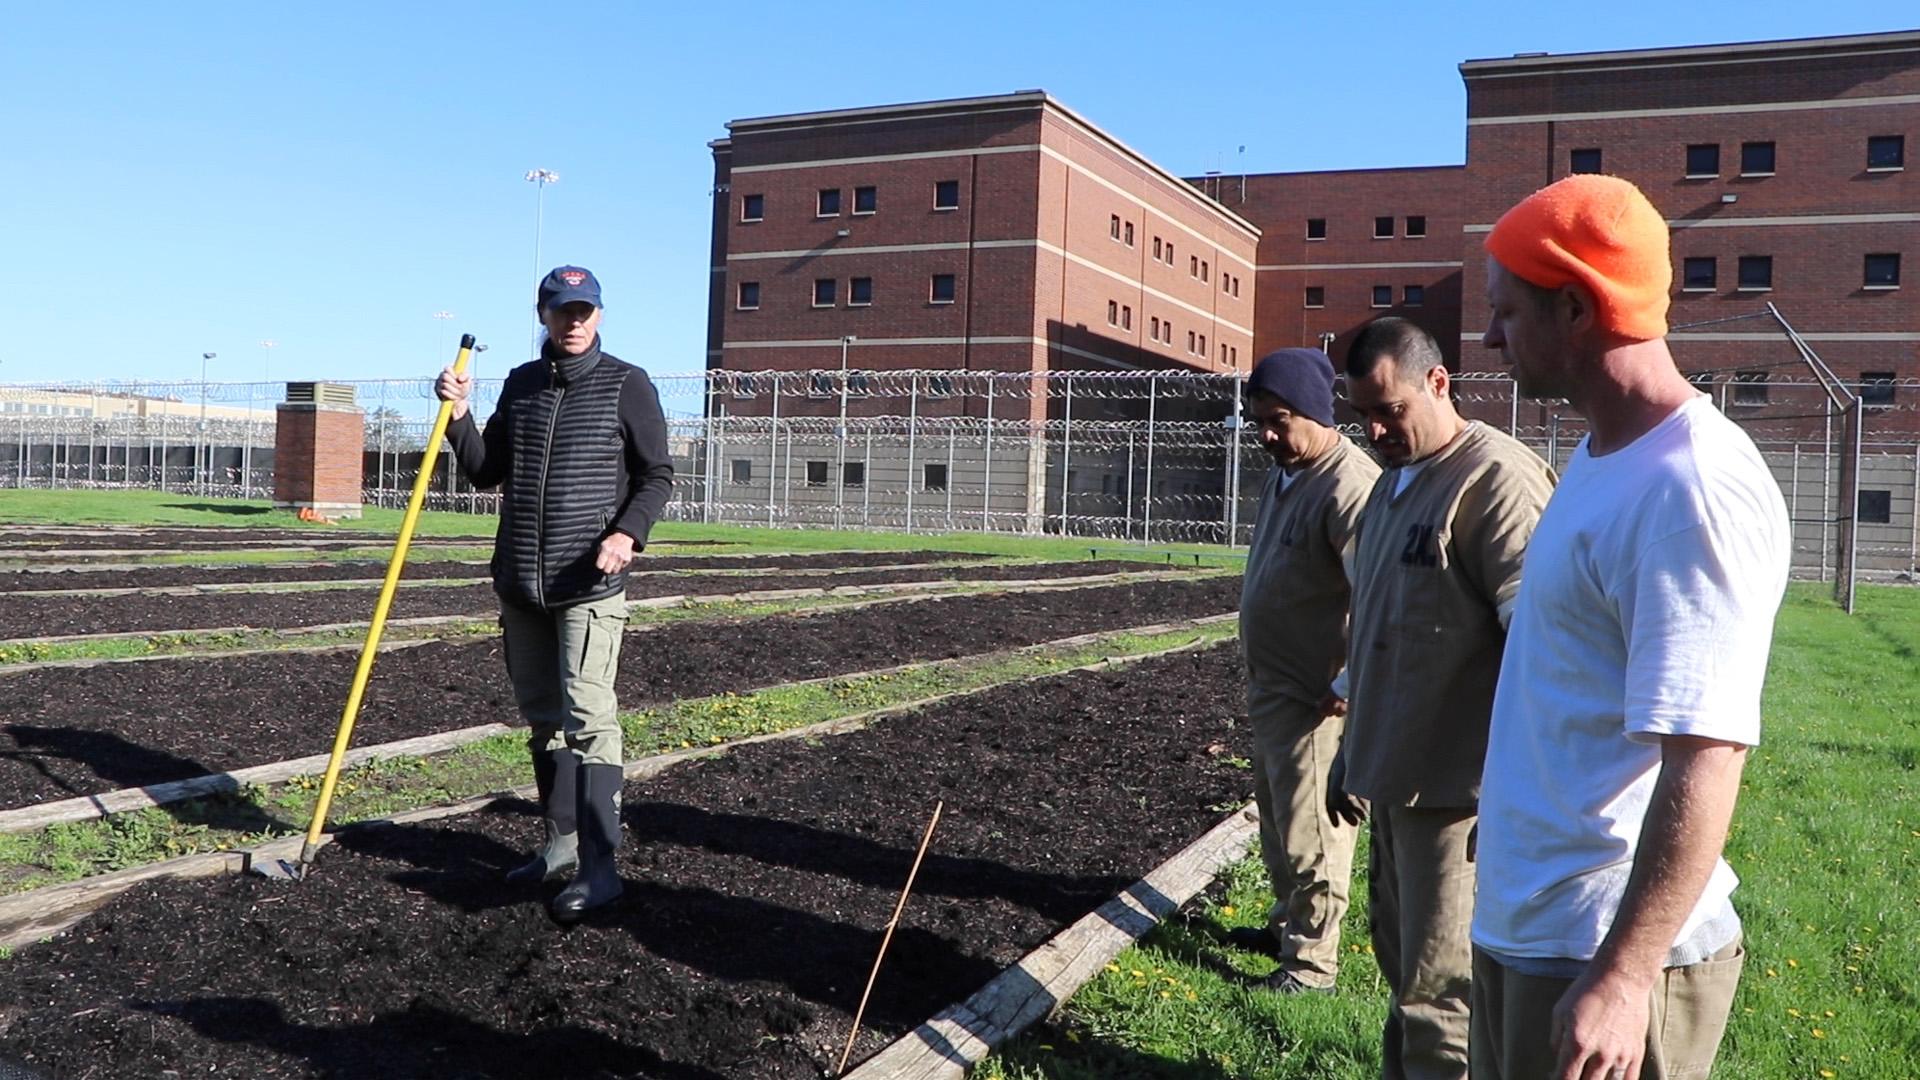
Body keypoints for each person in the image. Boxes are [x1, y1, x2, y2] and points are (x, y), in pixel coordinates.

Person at [1471, 175, 1790, 1080]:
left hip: (1599, 958)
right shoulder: (1601, 452)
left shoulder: (1690, 492)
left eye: (1506, 312)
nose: (1491, 336)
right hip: (1534, 928)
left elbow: (1709, 752)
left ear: (1575, 307)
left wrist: (1622, 975)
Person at [1332, 317, 1555, 1080]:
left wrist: (1517, 792)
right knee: (1405, 977)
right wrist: (1353, 748)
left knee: (1440, 994)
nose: (1375, 429)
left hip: (1457, 795)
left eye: (1389, 410)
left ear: (1438, 383)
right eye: (1361, 415)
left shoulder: (1494, 477)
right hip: (1394, 780)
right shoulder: (1395, 484)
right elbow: (1381, 631)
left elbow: (1540, 644)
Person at [435, 265, 675, 924]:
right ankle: (561, 844)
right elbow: (488, 472)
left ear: (599, 315)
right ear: (542, 313)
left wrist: (628, 533)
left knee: (590, 718)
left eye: (585, 311)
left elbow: (657, 474)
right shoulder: (522, 384)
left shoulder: (628, 384)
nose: (574, 321)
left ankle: (602, 870)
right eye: (562, 310)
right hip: (521, 583)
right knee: (544, 719)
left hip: (588, 584)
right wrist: (459, 418)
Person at [1229, 347, 1380, 994]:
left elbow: (1379, 595)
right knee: (1278, 821)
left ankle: (1311, 966)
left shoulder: (1347, 486)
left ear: (1318, 414)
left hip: (1319, 700)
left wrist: (1348, 685)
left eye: (1279, 420)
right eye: (1258, 420)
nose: (1266, 434)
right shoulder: (1285, 472)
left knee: (1314, 833)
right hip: (1275, 688)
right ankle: (1289, 921)